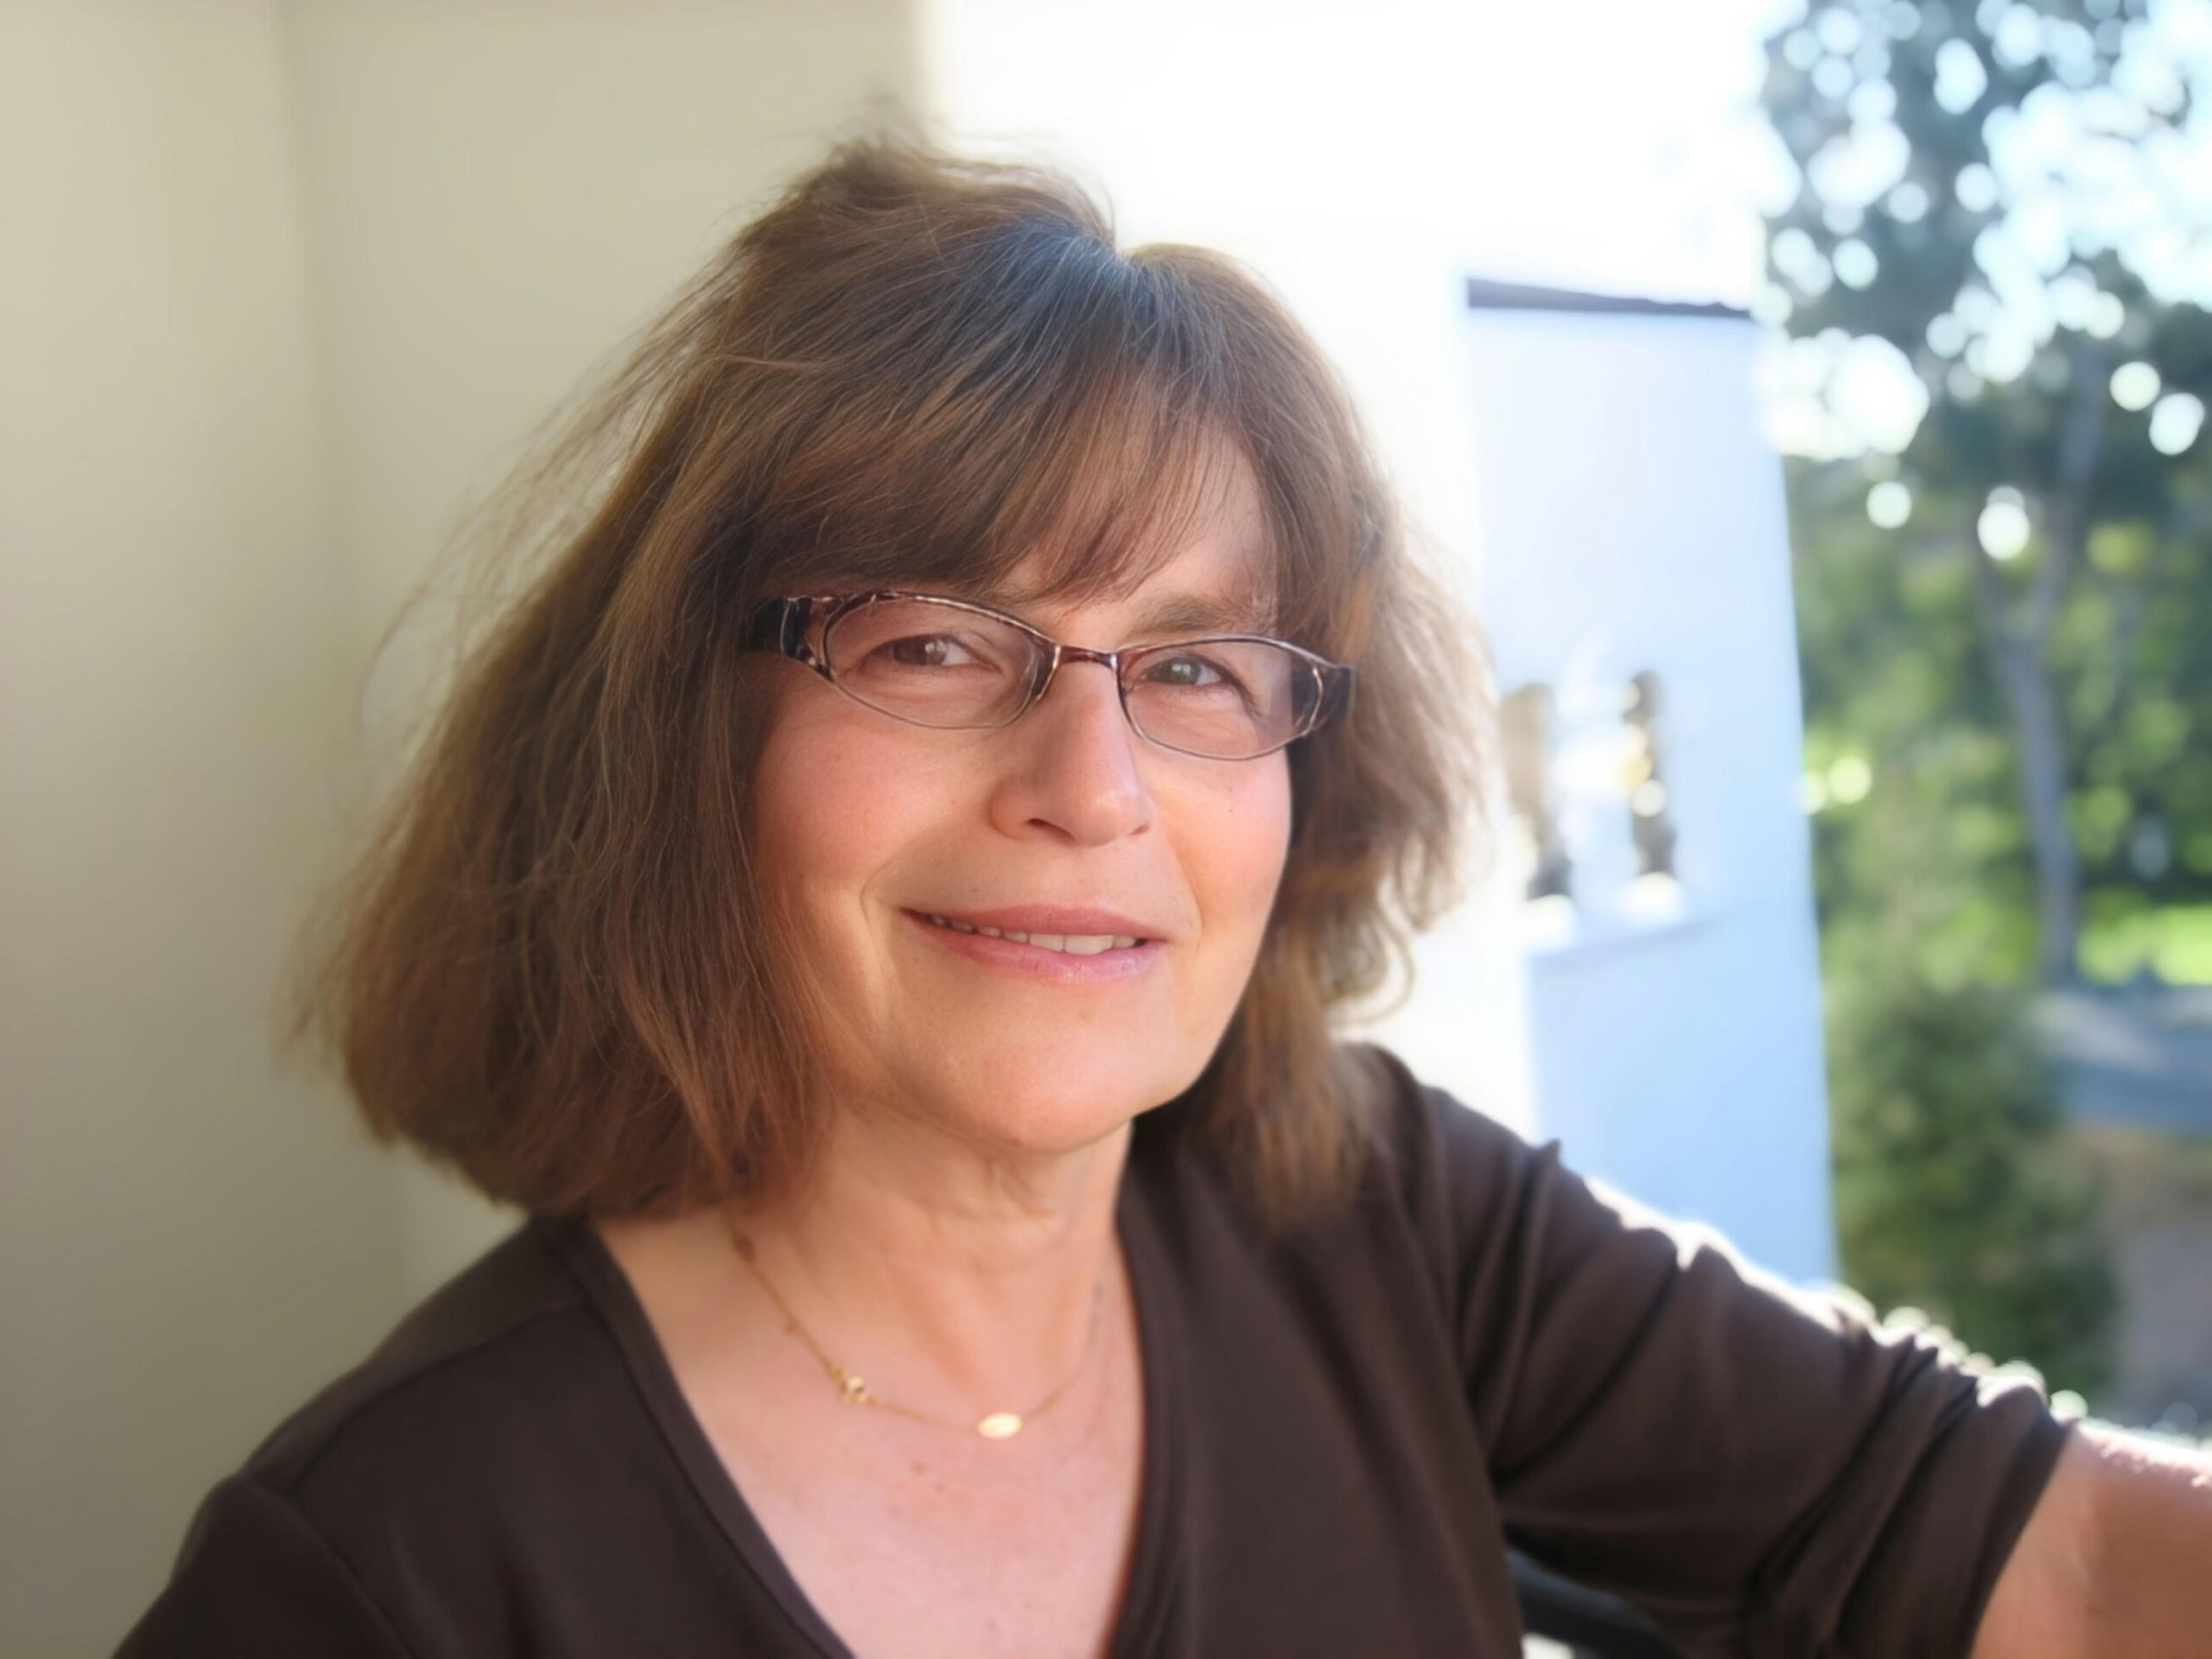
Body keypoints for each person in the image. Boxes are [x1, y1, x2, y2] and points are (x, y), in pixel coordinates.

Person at [121, 138, 2209, 1659]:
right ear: (690, 725)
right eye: (935, 642)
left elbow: (2075, 1564)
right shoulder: (379, 1571)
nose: (1090, 786)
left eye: (1197, 669)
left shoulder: (1368, 1214)